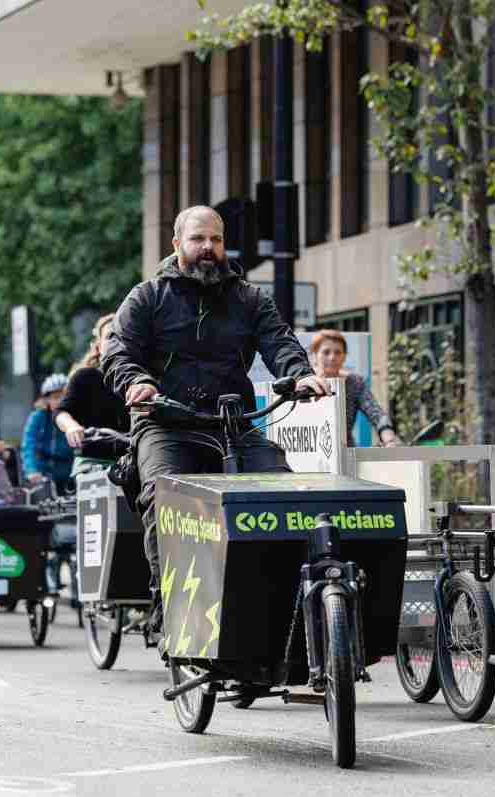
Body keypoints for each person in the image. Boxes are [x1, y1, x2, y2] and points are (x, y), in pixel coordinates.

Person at [103, 205, 329, 629]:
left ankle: (290, 606)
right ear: (177, 244)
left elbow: (280, 342)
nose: (208, 248)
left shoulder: (249, 297)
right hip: (166, 423)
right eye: (198, 239)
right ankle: (168, 604)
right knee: (162, 495)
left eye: (216, 240)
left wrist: (300, 375)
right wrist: (136, 382)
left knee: (283, 490)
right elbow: (118, 352)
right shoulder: (147, 297)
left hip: (232, 424)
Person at [55, 313, 130, 475]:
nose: (116, 342)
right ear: (98, 346)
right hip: (94, 464)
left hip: (132, 461)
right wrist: (72, 427)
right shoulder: (85, 377)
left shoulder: (141, 379)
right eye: (110, 337)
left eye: (121, 336)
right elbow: (61, 413)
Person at [309, 329, 399, 447]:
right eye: (326, 352)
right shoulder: (305, 382)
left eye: (338, 352)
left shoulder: (354, 383)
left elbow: (375, 412)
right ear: (315, 355)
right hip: (309, 452)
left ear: (345, 356)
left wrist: (389, 439)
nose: (332, 357)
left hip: (345, 452)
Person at [21, 373, 74, 492]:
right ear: (47, 400)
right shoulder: (38, 417)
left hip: (71, 474)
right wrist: (31, 470)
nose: (60, 401)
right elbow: (29, 446)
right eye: (55, 397)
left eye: (64, 396)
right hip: (44, 474)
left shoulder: (77, 418)